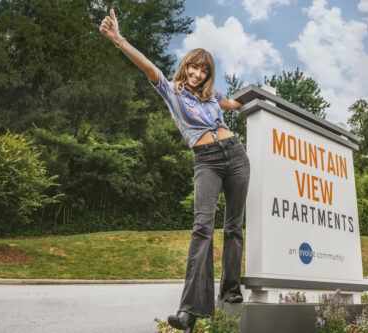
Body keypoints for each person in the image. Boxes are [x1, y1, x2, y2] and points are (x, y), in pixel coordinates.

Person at [100, 9, 250, 333]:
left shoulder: (213, 98)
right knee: (203, 229)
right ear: (186, 66)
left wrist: (267, 101)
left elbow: (240, 105)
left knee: (235, 228)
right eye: (194, 66)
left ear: (209, 75)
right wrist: (118, 40)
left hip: (236, 155)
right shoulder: (172, 90)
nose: (197, 73)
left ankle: (232, 297)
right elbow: (148, 66)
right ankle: (189, 311)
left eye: (203, 69)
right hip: (207, 159)